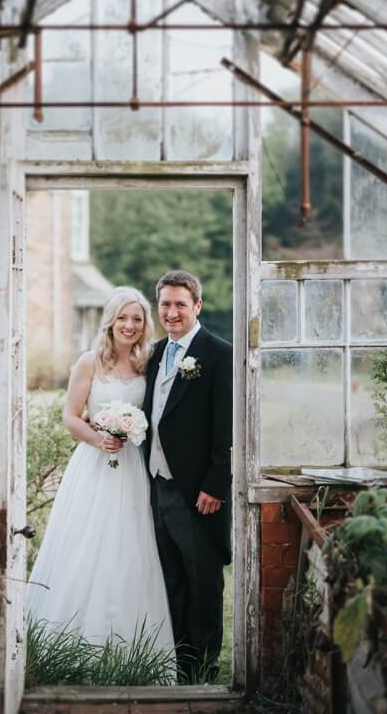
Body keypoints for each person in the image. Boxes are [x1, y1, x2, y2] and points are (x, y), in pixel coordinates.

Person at [27, 287, 175, 671]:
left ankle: (132, 649)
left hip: (134, 469)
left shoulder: (150, 363)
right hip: (95, 465)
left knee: (131, 544)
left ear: (145, 326)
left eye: (137, 319)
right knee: (86, 543)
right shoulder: (89, 362)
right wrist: (99, 438)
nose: (129, 325)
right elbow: (71, 415)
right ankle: (68, 644)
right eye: (123, 318)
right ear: (110, 320)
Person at [143, 270, 232, 683]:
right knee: (173, 579)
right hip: (157, 485)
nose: (172, 312)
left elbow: (227, 426)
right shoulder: (156, 353)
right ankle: (179, 666)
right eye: (165, 304)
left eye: (180, 304)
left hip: (198, 491)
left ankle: (205, 670)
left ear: (197, 306)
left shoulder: (218, 354)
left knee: (202, 580)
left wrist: (216, 485)